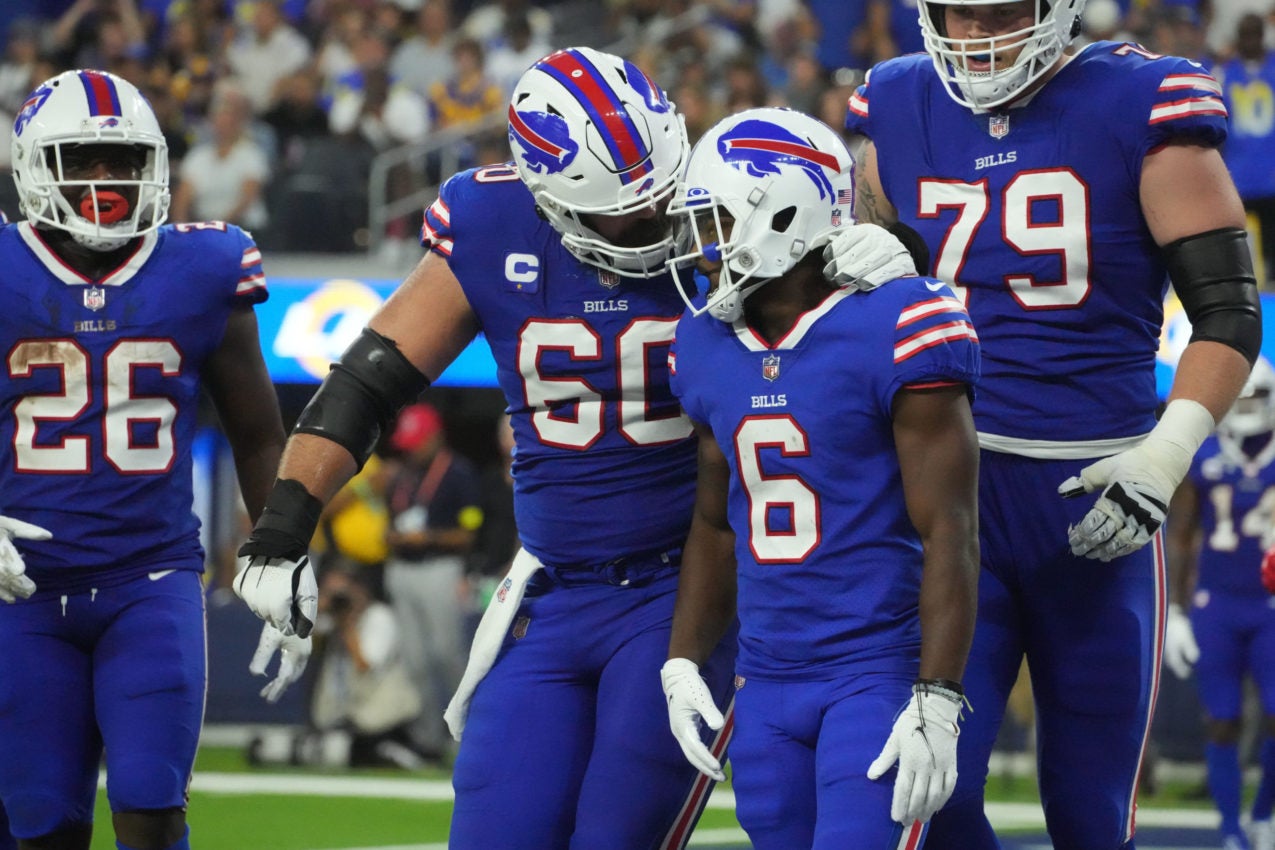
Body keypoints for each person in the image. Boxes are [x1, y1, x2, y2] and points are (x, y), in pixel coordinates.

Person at [232, 46, 918, 849]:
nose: (654, 222)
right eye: (621, 211)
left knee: (613, 833)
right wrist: (278, 534)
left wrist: (894, 256)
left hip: (682, 587)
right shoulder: (490, 222)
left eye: (662, 194)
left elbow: (860, 326)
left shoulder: (725, 198)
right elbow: (368, 381)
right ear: (546, 199)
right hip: (552, 588)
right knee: (494, 824)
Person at [844, 2, 1262, 848]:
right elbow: (862, 310)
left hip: (1099, 498)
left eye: (995, 14)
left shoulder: (1141, 99)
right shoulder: (894, 100)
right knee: (927, 793)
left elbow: (1226, 312)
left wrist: (1164, 455)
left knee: (1091, 809)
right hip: (949, 497)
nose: (973, 38)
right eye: (955, 16)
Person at [658, 106, 981, 849]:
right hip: (764, 675)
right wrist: (682, 658)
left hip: (875, 667)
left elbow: (951, 528)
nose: (702, 244)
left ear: (783, 212)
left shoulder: (898, 319)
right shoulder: (703, 343)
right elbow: (714, 520)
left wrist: (936, 695)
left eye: (719, 217)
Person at [0, 69, 288, 850]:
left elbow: (258, 431)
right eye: (82, 162)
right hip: (20, 591)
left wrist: (284, 552)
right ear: (32, 166)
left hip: (148, 581)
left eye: (121, 159)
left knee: (151, 809)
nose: (105, 182)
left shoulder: (202, 267)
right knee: (40, 823)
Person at [1168, 359, 1275, 850]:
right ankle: (1231, 828)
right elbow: (1181, 536)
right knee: (1222, 719)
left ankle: (1262, 815)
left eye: (1259, 398)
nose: (1249, 408)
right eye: (1244, 398)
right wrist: (1175, 611)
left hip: (1270, 607)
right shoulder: (1204, 453)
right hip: (1218, 603)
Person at [382, 401, 483, 761]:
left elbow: (469, 534)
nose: (411, 450)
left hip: (441, 568)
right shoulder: (403, 475)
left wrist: (427, 539)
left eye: (417, 442)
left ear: (436, 437)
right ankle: (427, 740)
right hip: (403, 570)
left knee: (447, 654)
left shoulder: (458, 473)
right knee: (414, 659)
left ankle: (468, 739)